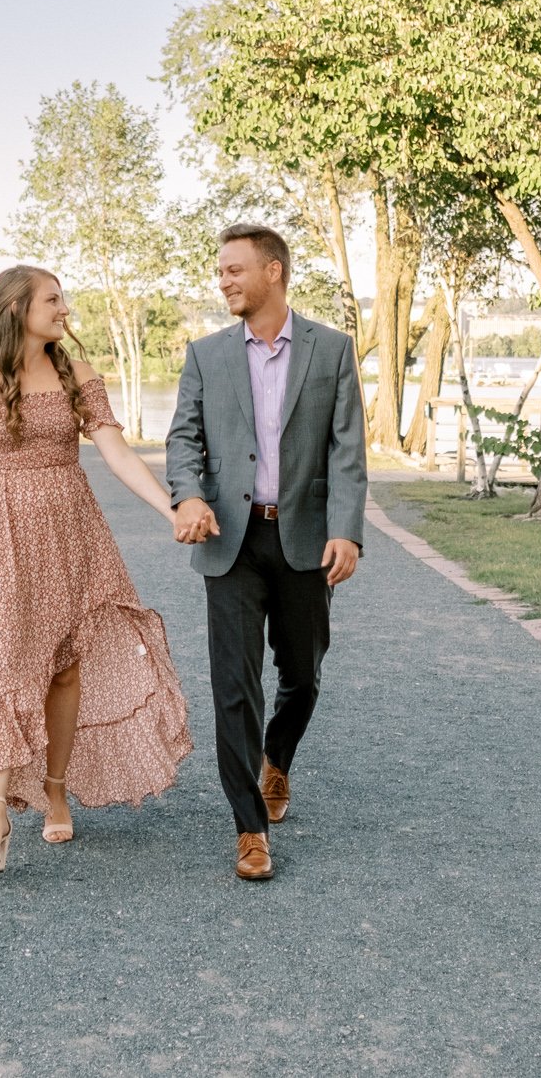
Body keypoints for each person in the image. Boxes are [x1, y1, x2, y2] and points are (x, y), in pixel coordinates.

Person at [0, 266, 192, 873]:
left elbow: (117, 453)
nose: (64, 309)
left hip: (73, 534)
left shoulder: (78, 376)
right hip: (7, 539)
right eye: (53, 299)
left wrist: (169, 509)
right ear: (17, 308)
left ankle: (55, 787)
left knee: (65, 670)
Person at [166, 223, 368, 881]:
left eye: (234, 269)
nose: (223, 279)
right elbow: (182, 440)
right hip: (230, 539)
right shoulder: (205, 354)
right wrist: (188, 497)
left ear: (273, 271)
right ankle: (249, 827)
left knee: (303, 673)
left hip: (306, 536)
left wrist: (347, 529)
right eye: (220, 270)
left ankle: (276, 755)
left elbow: (347, 451)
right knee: (233, 684)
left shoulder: (332, 350)